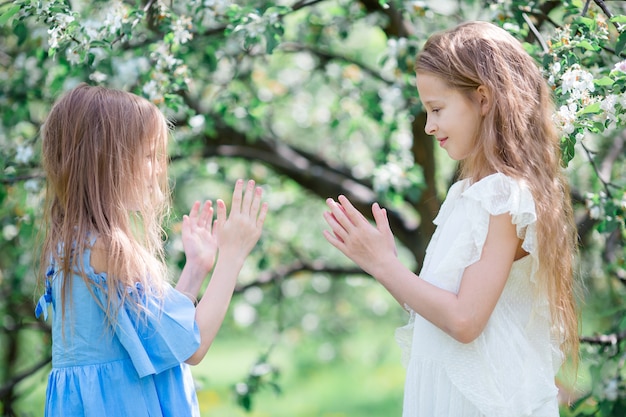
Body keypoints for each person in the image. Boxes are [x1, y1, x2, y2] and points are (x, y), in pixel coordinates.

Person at [323, 21, 578, 417]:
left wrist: (385, 265)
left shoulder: (503, 196)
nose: (428, 126)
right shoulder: (466, 193)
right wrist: (386, 268)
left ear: (483, 99)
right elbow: (440, 312)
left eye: (437, 109)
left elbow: (464, 321)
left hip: (482, 403)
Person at [35, 84, 268, 417]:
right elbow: (193, 346)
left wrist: (196, 269)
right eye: (148, 156)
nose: (159, 169)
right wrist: (233, 255)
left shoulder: (72, 242)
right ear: (107, 161)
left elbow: (158, 339)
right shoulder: (111, 248)